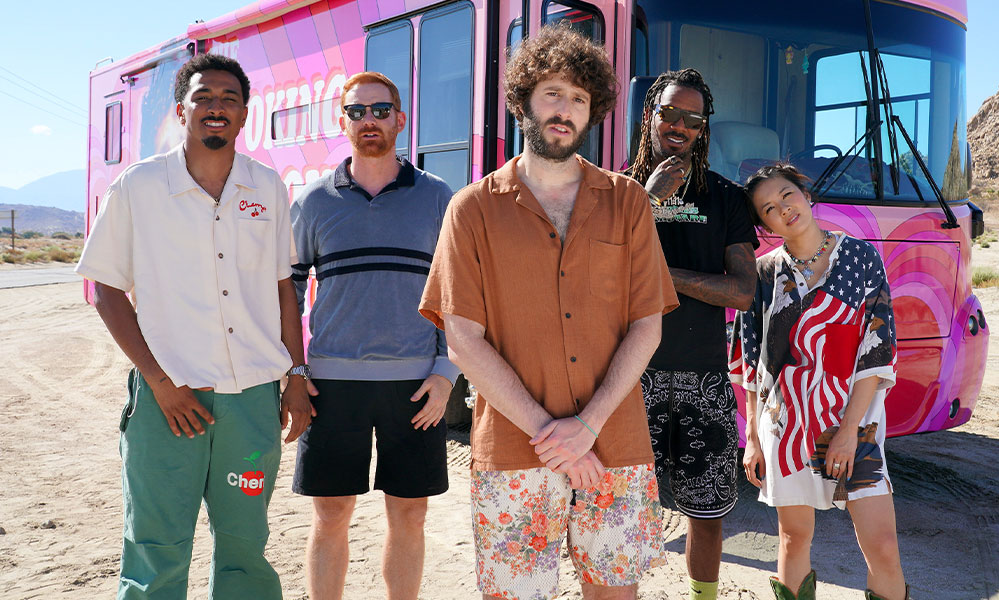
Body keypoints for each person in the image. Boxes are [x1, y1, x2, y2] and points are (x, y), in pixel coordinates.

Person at [419, 24, 678, 600]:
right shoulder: (472, 210)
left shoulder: (628, 201)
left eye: (580, 99)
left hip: (615, 443)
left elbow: (647, 324)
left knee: (615, 592)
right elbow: (461, 336)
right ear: (524, 100)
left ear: (594, 112)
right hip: (514, 448)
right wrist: (549, 433)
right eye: (553, 94)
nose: (566, 110)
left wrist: (585, 428)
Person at [76, 53, 313, 600]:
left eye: (229, 99)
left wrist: (296, 377)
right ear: (181, 111)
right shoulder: (139, 187)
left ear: (245, 113)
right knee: (155, 545)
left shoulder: (267, 188)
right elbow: (105, 290)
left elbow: (283, 289)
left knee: (245, 545)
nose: (216, 107)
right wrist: (161, 383)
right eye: (203, 97)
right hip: (168, 402)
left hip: (252, 403)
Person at [289, 71, 457, 600]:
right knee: (332, 513)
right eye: (357, 111)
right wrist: (292, 370)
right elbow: (287, 293)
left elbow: (462, 292)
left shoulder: (437, 198)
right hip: (332, 384)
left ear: (400, 120)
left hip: (415, 386)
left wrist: (447, 371)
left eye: (381, 111)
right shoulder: (314, 202)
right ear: (342, 121)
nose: (369, 121)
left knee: (409, 514)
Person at [730, 162, 909, 600]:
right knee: (793, 540)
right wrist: (752, 434)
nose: (784, 209)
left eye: (787, 195)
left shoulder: (861, 259)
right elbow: (753, 361)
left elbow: (876, 350)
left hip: (855, 423)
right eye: (769, 208)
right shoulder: (763, 273)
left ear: (805, 194)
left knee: (883, 547)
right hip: (785, 424)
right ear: (765, 224)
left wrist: (848, 432)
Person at [624, 68, 757, 600]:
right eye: (670, 114)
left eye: (692, 119)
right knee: (619, 510)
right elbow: (591, 268)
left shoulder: (726, 199)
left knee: (707, 512)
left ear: (704, 128)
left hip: (703, 378)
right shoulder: (614, 192)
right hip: (627, 379)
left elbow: (742, 291)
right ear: (650, 114)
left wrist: (660, 275)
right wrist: (647, 202)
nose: (679, 126)